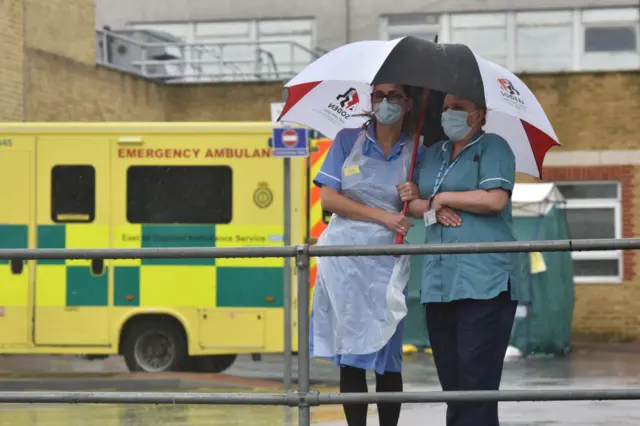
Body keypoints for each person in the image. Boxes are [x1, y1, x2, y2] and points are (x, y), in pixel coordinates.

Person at [396, 93, 520, 426]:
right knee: (452, 386)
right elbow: (416, 206)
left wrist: (442, 198)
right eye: (446, 107)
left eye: (458, 108)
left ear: (479, 114)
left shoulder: (493, 148)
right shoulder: (433, 154)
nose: (448, 113)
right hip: (439, 282)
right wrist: (424, 202)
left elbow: (494, 199)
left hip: (485, 282)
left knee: (476, 385)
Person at [310, 83, 421, 426]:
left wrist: (415, 194)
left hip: (387, 260)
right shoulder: (348, 140)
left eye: (394, 96)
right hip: (344, 257)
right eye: (379, 95)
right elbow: (329, 200)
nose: (385, 103)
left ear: (408, 103)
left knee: (388, 355)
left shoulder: (418, 149)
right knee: (352, 354)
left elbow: (418, 207)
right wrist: (384, 216)